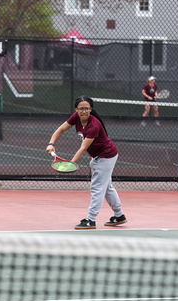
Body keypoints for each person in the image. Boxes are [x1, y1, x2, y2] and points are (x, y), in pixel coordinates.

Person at [46, 96, 127, 230]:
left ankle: (91, 220)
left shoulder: (94, 125)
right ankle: (119, 215)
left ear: (91, 109)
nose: (84, 111)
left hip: (106, 156)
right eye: (81, 109)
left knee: (97, 188)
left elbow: (83, 148)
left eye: (87, 109)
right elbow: (60, 130)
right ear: (76, 109)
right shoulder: (76, 117)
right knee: (106, 187)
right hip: (99, 156)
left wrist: (70, 163)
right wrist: (51, 144)